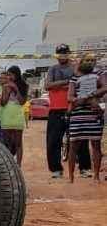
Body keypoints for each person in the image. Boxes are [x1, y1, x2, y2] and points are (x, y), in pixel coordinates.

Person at [66, 56, 104, 183]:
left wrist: (90, 95)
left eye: (92, 60)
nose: (90, 62)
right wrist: (79, 100)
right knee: (73, 146)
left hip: (94, 114)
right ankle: (71, 177)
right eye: (86, 60)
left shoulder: (99, 73)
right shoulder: (74, 77)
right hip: (78, 115)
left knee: (96, 145)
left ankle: (96, 176)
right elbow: (70, 97)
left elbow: (105, 87)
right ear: (81, 63)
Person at [44, 45, 80, 178]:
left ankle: (83, 168)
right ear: (56, 55)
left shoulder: (75, 67)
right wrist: (68, 82)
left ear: (69, 54)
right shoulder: (53, 69)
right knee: (53, 141)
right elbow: (47, 85)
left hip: (74, 106)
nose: (62, 56)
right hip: (56, 109)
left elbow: (78, 83)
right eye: (60, 54)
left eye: (65, 53)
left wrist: (58, 84)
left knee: (78, 139)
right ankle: (56, 170)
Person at [0, 65, 29, 164]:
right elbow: (3, 103)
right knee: (6, 143)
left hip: (17, 117)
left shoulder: (23, 86)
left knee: (18, 144)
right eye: (7, 75)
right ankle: (8, 164)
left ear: (16, 75)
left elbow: (22, 102)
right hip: (6, 117)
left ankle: (18, 166)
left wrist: (15, 89)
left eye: (11, 75)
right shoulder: (5, 86)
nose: (9, 77)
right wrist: (6, 91)